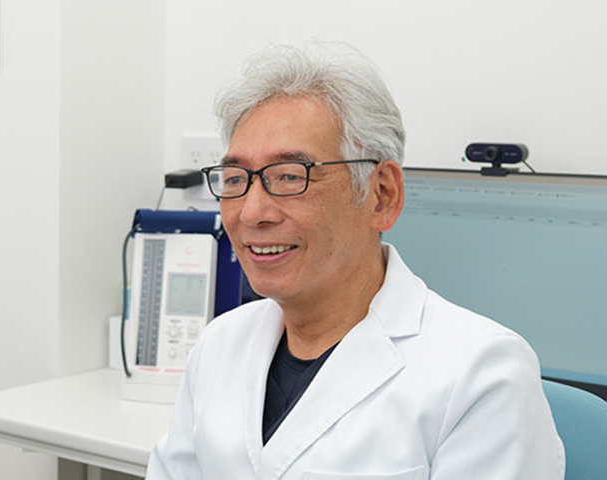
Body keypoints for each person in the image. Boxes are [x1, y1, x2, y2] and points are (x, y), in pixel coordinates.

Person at [146, 42, 564, 480]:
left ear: (381, 195)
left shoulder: (483, 374)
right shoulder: (219, 344)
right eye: (235, 179)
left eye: (289, 176)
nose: (251, 212)